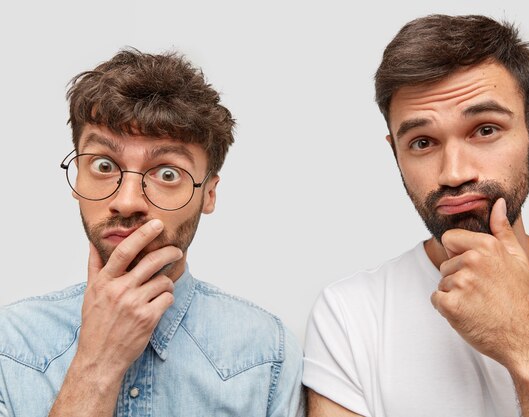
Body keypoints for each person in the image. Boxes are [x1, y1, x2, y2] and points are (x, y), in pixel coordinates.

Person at [303, 14, 529, 417]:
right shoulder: (349, 317)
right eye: (422, 142)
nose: (454, 173)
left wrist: (527, 337)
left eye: (485, 130)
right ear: (395, 154)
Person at [0, 49, 302, 417]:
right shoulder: (9, 345)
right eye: (104, 165)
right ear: (77, 178)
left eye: (168, 173)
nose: (127, 202)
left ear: (208, 194)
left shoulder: (268, 353)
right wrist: (97, 361)